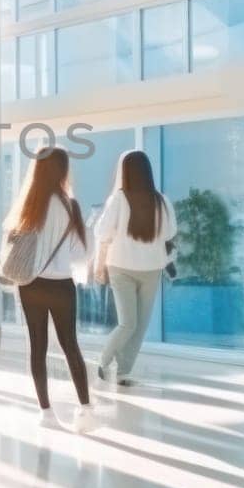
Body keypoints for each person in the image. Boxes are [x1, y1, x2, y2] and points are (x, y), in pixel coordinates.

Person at [7, 147, 96, 432]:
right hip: (60, 286)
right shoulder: (70, 206)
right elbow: (82, 253)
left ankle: (46, 413)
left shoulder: (27, 206)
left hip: (30, 284)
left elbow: (12, 244)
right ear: (63, 170)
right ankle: (85, 409)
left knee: (38, 347)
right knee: (70, 346)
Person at [92, 151, 177, 388]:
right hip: (151, 268)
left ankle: (114, 367)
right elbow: (170, 233)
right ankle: (110, 364)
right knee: (136, 326)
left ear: (125, 172)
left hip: (121, 267)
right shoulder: (162, 200)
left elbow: (101, 233)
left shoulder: (119, 199)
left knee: (128, 323)